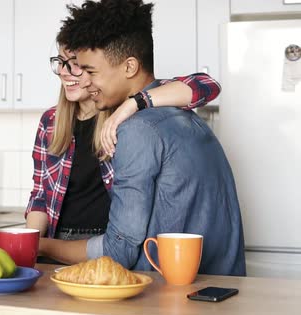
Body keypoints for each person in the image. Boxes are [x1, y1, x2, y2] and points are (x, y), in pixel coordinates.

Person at [37, 0, 246, 276]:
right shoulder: (186, 116)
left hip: (165, 297)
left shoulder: (136, 129)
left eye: (90, 71)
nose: (83, 82)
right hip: (218, 287)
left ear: (129, 66)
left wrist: (43, 247)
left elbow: (119, 250)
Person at [26, 45, 221, 245]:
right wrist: (31, 244)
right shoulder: (50, 121)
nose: (64, 72)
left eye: (75, 63)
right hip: (56, 243)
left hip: (107, 244)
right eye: (60, 62)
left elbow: (206, 85)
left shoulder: (129, 114)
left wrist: (133, 104)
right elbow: (40, 194)